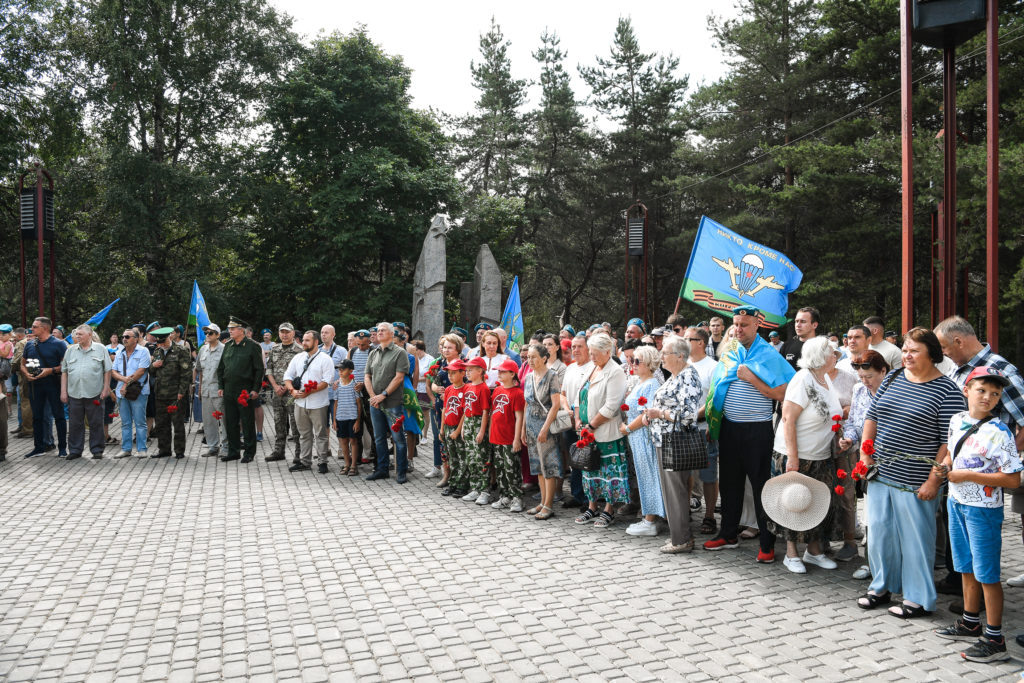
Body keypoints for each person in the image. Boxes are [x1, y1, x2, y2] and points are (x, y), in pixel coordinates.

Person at [856, 327, 965, 618]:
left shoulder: (947, 391)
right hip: (880, 473)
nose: (907, 355)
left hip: (916, 480)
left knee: (916, 540)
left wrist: (933, 480)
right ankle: (881, 588)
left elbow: (949, 442)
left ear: (932, 354)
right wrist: (865, 454)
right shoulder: (893, 377)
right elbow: (872, 416)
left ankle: (918, 599)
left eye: (914, 350)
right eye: (905, 350)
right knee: (880, 534)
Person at [933, 367, 1022, 663]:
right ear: (967, 390)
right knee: (966, 567)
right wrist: (946, 466)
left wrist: (968, 475)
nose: (988, 397)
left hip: (983, 511)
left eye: (995, 394)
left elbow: (1012, 479)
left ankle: (995, 640)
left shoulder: (1000, 432)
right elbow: (952, 453)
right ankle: (970, 623)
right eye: (981, 390)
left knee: (987, 574)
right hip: (956, 503)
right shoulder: (956, 420)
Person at [703, 305, 794, 563]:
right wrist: (713, 423)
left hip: (757, 430)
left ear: (757, 325)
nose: (738, 329)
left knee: (761, 487)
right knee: (729, 484)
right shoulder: (730, 352)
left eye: (744, 324)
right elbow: (717, 388)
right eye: (735, 324)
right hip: (729, 428)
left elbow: (785, 392)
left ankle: (766, 544)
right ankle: (728, 534)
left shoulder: (768, 354)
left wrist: (753, 379)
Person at [769, 337, 842, 573]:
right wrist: (793, 457)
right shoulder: (803, 379)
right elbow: (788, 418)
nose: (836, 356)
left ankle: (814, 551)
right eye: (832, 353)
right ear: (820, 356)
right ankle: (791, 554)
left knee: (818, 505)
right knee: (794, 503)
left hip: (820, 454)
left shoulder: (825, 378)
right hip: (797, 454)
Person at [838, 350, 890, 577]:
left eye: (869, 376)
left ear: (883, 371)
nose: (865, 381)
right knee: (871, 513)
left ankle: (890, 564)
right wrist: (849, 438)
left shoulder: (895, 390)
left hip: (891, 459)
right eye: (861, 377)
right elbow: (854, 423)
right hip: (867, 461)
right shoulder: (859, 390)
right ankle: (872, 563)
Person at [573, 333, 628, 530]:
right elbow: (579, 396)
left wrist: (591, 426)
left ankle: (609, 509)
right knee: (590, 468)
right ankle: (592, 506)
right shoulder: (592, 367)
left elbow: (612, 405)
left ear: (607, 352)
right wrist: (578, 419)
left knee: (608, 471)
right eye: (591, 353)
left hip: (605, 431)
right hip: (587, 431)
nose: (592, 357)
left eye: (595, 353)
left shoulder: (616, 372)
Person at [618, 345, 665, 538]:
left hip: (644, 437)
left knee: (649, 477)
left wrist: (628, 428)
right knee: (644, 476)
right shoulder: (641, 382)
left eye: (637, 361)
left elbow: (646, 414)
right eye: (632, 360)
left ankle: (650, 520)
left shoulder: (650, 384)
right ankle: (649, 517)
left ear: (649, 363)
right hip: (637, 438)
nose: (633, 363)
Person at [363, 322, 411, 483]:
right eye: (378, 330)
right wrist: (373, 396)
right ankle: (382, 469)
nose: (379, 332)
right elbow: (367, 376)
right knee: (379, 437)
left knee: (398, 438)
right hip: (375, 403)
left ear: (392, 334)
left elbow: (399, 377)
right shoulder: (373, 353)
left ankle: (401, 471)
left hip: (393, 403)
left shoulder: (400, 352)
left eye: (383, 330)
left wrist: (383, 395)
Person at [685, 326, 721, 536]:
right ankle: (686, 510)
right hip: (683, 428)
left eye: (688, 339)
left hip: (703, 427)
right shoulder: (682, 364)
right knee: (686, 473)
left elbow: (713, 400)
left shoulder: (713, 367)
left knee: (708, 475)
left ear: (700, 342)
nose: (684, 342)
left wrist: (693, 417)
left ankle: (709, 516)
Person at [59, 324, 112, 460]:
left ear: (89, 335)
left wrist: (106, 388)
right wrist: (63, 391)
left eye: (80, 334)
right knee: (75, 423)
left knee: (96, 422)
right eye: (76, 334)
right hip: (74, 393)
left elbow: (107, 370)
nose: (77, 336)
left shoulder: (100, 349)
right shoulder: (70, 350)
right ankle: (75, 450)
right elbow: (64, 371)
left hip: (95, 393)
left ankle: (97, 450)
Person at [284, 329, 334, 474]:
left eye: (307, 340)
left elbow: (326, 381)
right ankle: (305, 462)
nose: (303, 343)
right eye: (303, 340)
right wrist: (292, 391)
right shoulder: (298, 358)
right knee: (304, 434)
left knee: (320, 434)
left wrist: (309, 392)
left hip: (318, 403)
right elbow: (287, 376)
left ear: (316, 342)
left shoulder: (325, 359)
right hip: (300, 403)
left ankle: (322, 462)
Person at [216, 316, 265, 463]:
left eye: (232, 329)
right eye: (229, 329)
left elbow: (259, 369)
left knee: (247, 421)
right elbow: (221, 368)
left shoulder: (252, 346)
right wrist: (221, 386)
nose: (229, 331)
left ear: (241, 330)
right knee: (231, 422)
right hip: (229, 389)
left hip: (245, 390)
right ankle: (233, 451)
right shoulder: (228, 345)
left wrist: (255, 389)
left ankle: (249, 452)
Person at [523, 343, 562, 520]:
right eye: (528, 357)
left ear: (544, 358)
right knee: (538, 466)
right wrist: (523, 429)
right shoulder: (528, 376)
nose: (529, 360)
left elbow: (555, 405)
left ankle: (548, 505)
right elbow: (526, 404)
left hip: (546, 426)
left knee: (548, 466)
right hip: (531, 425)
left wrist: (545, 428)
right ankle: (542, 501)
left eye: (533, 357)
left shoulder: (552, 376)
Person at [21, 317, 68, 458]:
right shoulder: (30, 344)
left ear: (45, 328)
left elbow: (66, 366)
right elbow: (22, 364)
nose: (32, 329)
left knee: (59, 416)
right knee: (37, 417)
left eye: (35, 326)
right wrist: (26, 374)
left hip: (53, 384)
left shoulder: (59, 344)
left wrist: (50, 370)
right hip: (35, 385)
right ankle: (38, 448)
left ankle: (62, 448)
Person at [149, 327, 192, 458]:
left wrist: (182, 392)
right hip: (160, 393)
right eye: (160, 343)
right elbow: (151, 372)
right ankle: (164, 450)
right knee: (161, 424)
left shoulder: (181, 350)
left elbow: (186, 373)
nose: (162, 345)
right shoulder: (157, 351)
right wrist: (153, 366)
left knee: (178, 424)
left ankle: (179, 451)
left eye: (164, 342)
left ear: (170, 338)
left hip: (175, 394)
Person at [263, 323, 303, 463]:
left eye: (287, 332)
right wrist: (275, 386)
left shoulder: (300, 350)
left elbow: (300, 373)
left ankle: (299, 453)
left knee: (295, 423)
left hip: (292, 392)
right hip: (277, 392)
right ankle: (279, 451)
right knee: (278, 422)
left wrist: (286, 387)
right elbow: (269, 369)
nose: (284, 335)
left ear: (293, 333)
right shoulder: (275, 349)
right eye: (282, 332)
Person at [489, 359, 525, 512]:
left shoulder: (517, 393)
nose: (499, 374)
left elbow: (519, 418)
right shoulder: (497, 390)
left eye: (503, 371)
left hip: (509, 438)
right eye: (499, 371)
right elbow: (493, 413)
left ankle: (517, 497)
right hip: (496, 436)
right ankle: (505, 496)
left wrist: (517, 439)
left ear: (512, 374)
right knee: (500, 468)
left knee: (512, 469)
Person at [427, 334, 463, 485]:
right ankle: (446, 474)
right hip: (441, 409)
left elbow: (468, 386)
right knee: (442, 440)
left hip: (458, 409)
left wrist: (450, 394)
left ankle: (460, 477)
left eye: (450, 348)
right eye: (444, 347)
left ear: (458, 349)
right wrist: (436, 388)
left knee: (459, 443)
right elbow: (433, 383)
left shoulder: (463, 365)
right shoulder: (440, 364)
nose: (446, 350)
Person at [112, 328, 151, 458]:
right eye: (123, 336)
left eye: (127, 337)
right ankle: (126, 449)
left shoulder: (144, 351)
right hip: (122, 392)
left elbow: (141, 371)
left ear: (136, 339)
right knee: (125, 422)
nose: (124, 339)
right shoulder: (119, 352)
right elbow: (113, 371)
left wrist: (125, 384)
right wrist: (124, 380)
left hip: (138, 392)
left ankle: (142, 449)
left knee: (140, 422)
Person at [458, 357, 492, 504]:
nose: (467, 372)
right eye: (467, 370)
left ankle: (485, 490)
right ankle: (475, 488)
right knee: (471, 457)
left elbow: (485, 411)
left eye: (471, 370)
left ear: (480, 371)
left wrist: (482, 431)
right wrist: (463, 427)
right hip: (469, 422)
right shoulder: (467, 387)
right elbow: (465, 409)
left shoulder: (483, 388)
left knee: (481, 457)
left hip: (478, 422)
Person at [196, 324, 227, 457]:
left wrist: (224, 388)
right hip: (206, 390)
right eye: (206, 333)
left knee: (224, 420)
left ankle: (226, 447)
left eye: (211, 333)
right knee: (208, 420)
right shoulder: (203, 349)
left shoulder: (224, 349)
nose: (207, 335)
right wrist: (199, 388)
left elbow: (227, 371)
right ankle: (213, 446)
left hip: (219, 391)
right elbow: (200, 370)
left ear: (218, 335)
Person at [440, 359, 468, 498]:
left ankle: (462, 485)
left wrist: (457, 430)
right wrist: (442, 429)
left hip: (458, 428)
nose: (450, 376)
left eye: (454, 373)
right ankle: (453, 483)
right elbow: (445, 409)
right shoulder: (449, 389)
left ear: (463, 373)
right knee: (452, 457)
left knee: (462, 457)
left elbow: (465, 412)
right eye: (449, 373)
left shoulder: (466, 389)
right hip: (448, 427)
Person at [350, 329, 376, 463]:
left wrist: (364, 385)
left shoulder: (374, 352)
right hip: (355, 393)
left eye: (364, 345)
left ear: (369, 341)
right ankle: (357, 458)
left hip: (369, 394)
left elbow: (377, 374)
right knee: (356, 427)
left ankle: (376, 457)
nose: (360, 347)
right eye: (358, 344)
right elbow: (349, 370)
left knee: (372, 427)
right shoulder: (353, 351)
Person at [335, 359, 362, 475]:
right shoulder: (337, 385)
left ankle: (354, 465)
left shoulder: (355, 385)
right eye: (339, 370)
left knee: (353, 440)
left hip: (352, 417)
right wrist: (334, 420)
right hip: (340, 418)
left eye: (343, 369)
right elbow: (335, 403)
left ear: (351, 371)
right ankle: (346, 464)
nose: (340, 372)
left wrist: (358, 421)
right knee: (343, 441)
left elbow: (359, 404)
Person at [780, 306, 819, 371]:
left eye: (803, 321)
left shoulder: (823, 347)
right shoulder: (786, 346)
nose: (798, 325)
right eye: (796, 321)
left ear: (814, 325)